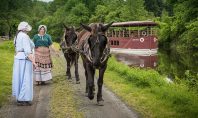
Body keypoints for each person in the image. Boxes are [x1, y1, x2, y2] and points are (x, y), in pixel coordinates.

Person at [12, 21, 36, 106]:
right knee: (26, 78)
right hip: (25, 59)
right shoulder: (25, 36)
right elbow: (27, 51)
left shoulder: (17, 36)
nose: (28, 30)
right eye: (27, 28)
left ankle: (19, 97)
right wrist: (33, 62)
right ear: (24, 29)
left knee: (19, 78)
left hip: (18, 58)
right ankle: (24, 99)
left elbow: (16, 49)